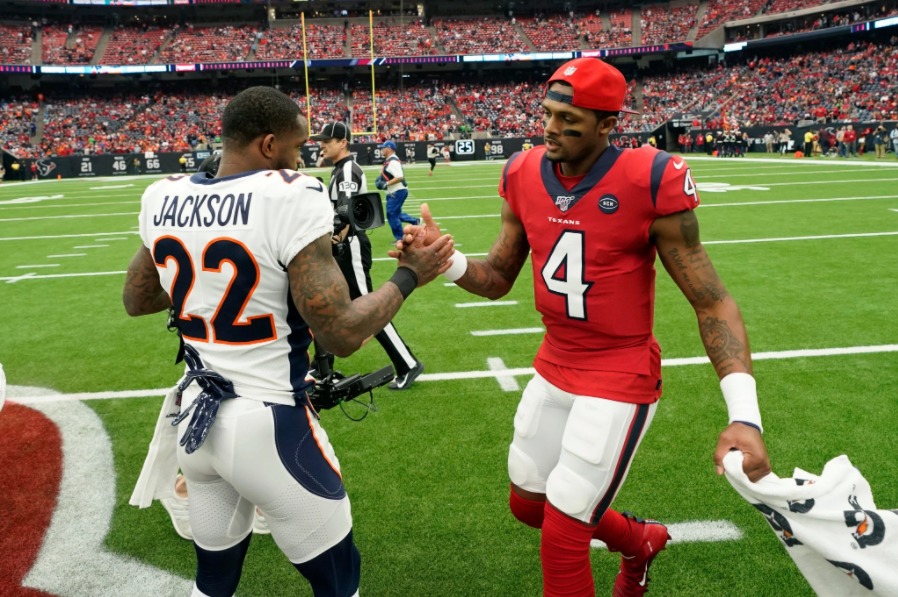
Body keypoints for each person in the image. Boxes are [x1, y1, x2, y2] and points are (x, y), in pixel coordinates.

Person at [393, 57, 771, 597]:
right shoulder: (523, 172)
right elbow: (498, 277)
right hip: (554, 362)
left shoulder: (649, 178)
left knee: (563, 534)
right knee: (528, 505)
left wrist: (745, 417)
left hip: (620, 371)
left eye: (569, 119)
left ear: (607, 125)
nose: (551, 127)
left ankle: (629, 552)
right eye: (548, 113)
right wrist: (444, 261)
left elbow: (712, 303)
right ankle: (639, 540)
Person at [122, 86, 453, 597]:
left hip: (198, 417)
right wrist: (410, 275)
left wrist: (213, 287)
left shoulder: (163, 194)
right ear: (270, 144)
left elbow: (139, 298)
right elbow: (340, 333)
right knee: (341, 583)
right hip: (268, 421)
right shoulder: (289, 194)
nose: (301, 161)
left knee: (212, 582)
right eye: (298, 150)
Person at [311, 121, 425, 391]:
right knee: (327, 302)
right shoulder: (340, 169)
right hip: (342, 244)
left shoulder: (348, 169)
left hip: (349, 245)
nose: (322, 144)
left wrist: (333, 237)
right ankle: (321, 363)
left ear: (343, 142)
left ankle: (407, 363)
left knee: (368, 307)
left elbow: (346, 211)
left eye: (327, 140)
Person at [378, 140, 419, 242]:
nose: (382, 149)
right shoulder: (391, 160)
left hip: (397, 191)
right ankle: (415, 221)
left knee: (391, 214)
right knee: (395, 214)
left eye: (384, 147)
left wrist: (386, 184)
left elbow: (399, 177)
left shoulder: (393, 161)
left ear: (389, 149)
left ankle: (401, 238)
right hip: (395, 191)